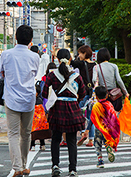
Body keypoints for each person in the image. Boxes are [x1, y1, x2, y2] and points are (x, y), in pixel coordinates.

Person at [0, 25, 40, 177]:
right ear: (30, 40)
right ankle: (24, 165)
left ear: (15, 37)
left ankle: (17, 167)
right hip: (29, 98)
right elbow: (35, 74)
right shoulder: (35, 56)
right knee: (26, 133)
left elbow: (2, 75)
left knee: (13, 134)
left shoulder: (6, 54)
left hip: (11, 98)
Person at [42, 48, 86, 177]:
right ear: (70, 59)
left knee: (55, 139)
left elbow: (44, 93)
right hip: (73, 109)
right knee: (72, 141)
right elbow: (83, 94)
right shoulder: (77, 76)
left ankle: (55, 165)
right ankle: (73, 169)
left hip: (57, 110)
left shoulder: (51, 75)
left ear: (57, 59)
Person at [71, 45, 96, 147]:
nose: (79, 55)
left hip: (83, 92)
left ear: (84, 54)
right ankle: (91, 140)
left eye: (80, 53)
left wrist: (56, 54)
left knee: (78, 112)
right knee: (91, 117)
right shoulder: (95, 65)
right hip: (93, 93)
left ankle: (82, 132)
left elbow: (71, 62)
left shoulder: (81, 64)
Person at [90, 86, 120, 168]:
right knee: (106, 140)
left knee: (97, 142)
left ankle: (100, 161)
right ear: (106, 95)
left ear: (96, 96)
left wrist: (87, 129)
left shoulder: (96, 106)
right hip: (108, 128)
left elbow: (92, 119)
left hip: (99, 128)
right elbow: (113, 117)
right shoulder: (109, 104)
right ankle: (108, 148)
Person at [92, 48, 129, 112]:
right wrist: (125, 92)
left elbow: (94, 80)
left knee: (104, 114)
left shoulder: (96, 67)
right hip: (115, 94)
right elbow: (119, 80)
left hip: (103, 95)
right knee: (114, 113)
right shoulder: (114, 66)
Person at [30, 83, 51, 151]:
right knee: (35, 133)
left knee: (40, 133)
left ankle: (42, 144)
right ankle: (33, 145)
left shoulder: (38, 100)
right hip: (36, 121)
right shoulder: (38, 100)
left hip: (38, 120)